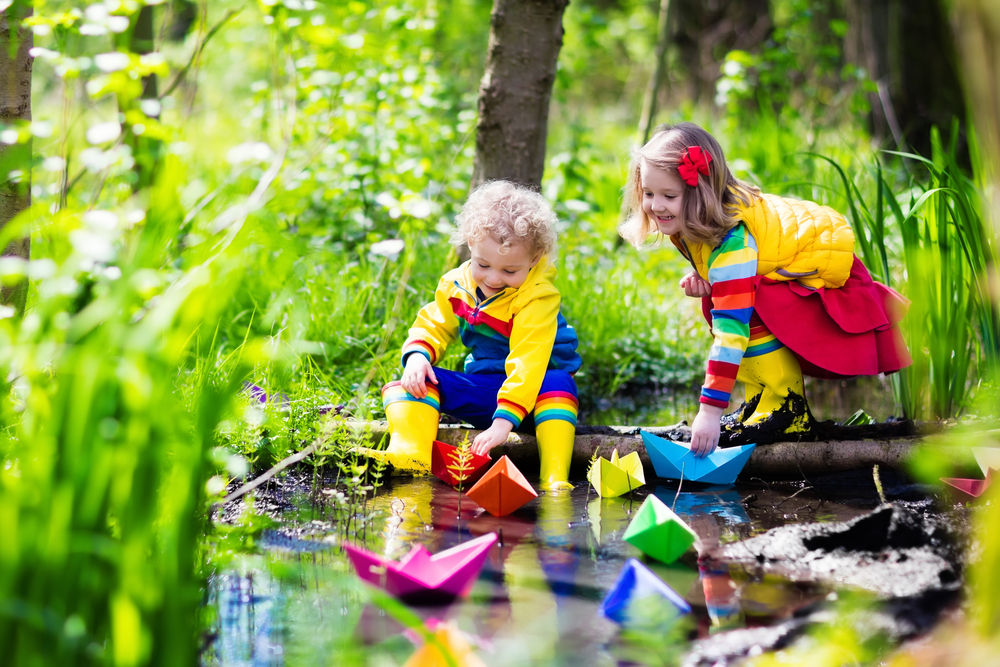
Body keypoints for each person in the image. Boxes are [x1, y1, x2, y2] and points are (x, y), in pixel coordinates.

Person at [619, 122, 911, 457]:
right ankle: (760, 400)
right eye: (649, 194)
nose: (656, 206)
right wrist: (706, 278)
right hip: (776, 264)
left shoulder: (733, 242)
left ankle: (786, 406)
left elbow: (732, 330)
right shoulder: (691, 219)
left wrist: (710, 412)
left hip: (816, 268)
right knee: (723, 300)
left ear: (702, 194)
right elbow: (717, 267)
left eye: (669, 196)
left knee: (745, 308)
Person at [372, 180, 581, 489]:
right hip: (488, 394)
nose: (494, 279)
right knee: (417, 378)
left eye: (510, 271)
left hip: (539, 401)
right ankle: (409, 456)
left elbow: (528, 362)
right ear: (470, 242)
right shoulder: (456, 284)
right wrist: (417, 356)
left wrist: (502, 425)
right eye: (484, 264)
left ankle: (554, 477)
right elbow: (435, 323)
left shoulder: (538, 297)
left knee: (558, 379)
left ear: (535, 258)